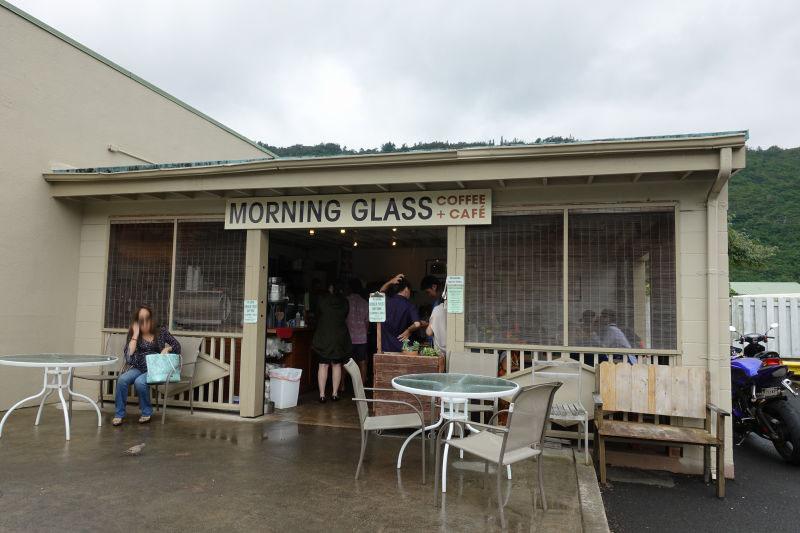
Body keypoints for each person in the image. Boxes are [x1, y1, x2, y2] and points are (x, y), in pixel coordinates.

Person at [114, 305, 181, 426]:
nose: (144, 322)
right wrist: (135, 335)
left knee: (140, 382)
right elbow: (128, 356)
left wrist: (168, 348)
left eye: (147, 318)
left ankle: (146, 412)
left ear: (151, 319)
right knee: (122, 379)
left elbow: (177, 346)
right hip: (138, 367)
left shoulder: (161, 331)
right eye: (141, 319)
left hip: (156, 369)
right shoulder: (134, 334)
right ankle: (119, 414)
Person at [312, 281, 352, 403]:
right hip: (339, 337)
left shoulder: (321, 300)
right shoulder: (345, 302)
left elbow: (317, 315)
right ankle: (335, 394)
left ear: (330, 288)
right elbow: (345, 315)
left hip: (324, 336)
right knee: (337, 365)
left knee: (323, 365)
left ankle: (322, 395)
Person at [379, 274, 423, 352]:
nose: (410, 294)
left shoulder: (385, 301)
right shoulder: (409, 305)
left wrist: (391, 282)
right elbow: (417, 324)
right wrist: (409, 330)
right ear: (406, 289)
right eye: (410, 290)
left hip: (385, 349)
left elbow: (381, 292)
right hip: (403, 349)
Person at [345, 278, 369, 384]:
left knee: (345, 361)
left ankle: (342, 385)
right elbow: (367, 322)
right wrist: (364, 333)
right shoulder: (365, 302)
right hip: (362, 338)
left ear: (350, 288)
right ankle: (362, 385)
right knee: (362, 362)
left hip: (349, 337)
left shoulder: (346, 301)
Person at [426, 286, 447, 354]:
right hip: (453, 351)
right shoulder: (457, 310)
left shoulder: (437, 309)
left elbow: (429, 332)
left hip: (440, 352)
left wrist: (429, 323)